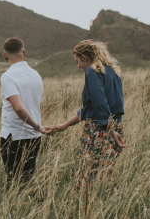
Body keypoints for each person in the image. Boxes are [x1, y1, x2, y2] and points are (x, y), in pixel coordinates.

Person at [50, 40, 126, 187]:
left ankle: (81, 207)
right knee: (105, 174)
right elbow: (89, 109)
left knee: (87, 175)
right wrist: (64, 125)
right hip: (117, 127)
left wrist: (108, 128)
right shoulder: (112, 71)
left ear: (84, 57)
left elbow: (99, 103)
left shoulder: (92, 71)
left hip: (99, 129)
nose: (78, 66)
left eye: (77, 61)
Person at [0, 37, 49, 183]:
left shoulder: (7, 76)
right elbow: (36, 105)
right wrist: (37, 128)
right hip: (34, 137)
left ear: (5, 55)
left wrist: (37, 127)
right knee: (28, 178)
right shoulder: (35, 74)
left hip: (14, 136)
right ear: (24, 52)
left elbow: (19, 108)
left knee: (14, 181)